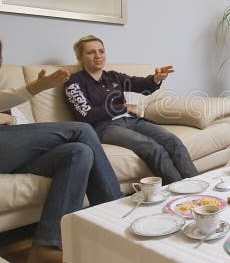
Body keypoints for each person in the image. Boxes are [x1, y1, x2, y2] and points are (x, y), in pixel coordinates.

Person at [0, 29, 123, 263]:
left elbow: (25, 124)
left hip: (2, 147)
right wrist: (36, 87)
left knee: (78, 153)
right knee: (81, 130)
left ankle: (47, 246)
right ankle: (118, 216)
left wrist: (7, 120)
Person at [63, 35, 198, 184]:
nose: (98, 56)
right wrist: (121, 108)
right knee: (152, 148)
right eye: (91, 52)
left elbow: (139, 84)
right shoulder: (73, 82)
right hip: (105, 128)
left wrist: (156, 78)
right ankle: (181, 194)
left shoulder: (113, 76)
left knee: (173, 141)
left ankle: (197, 186)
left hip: (132, 120)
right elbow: (86, 115)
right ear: (79, 57)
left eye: (101, 51)